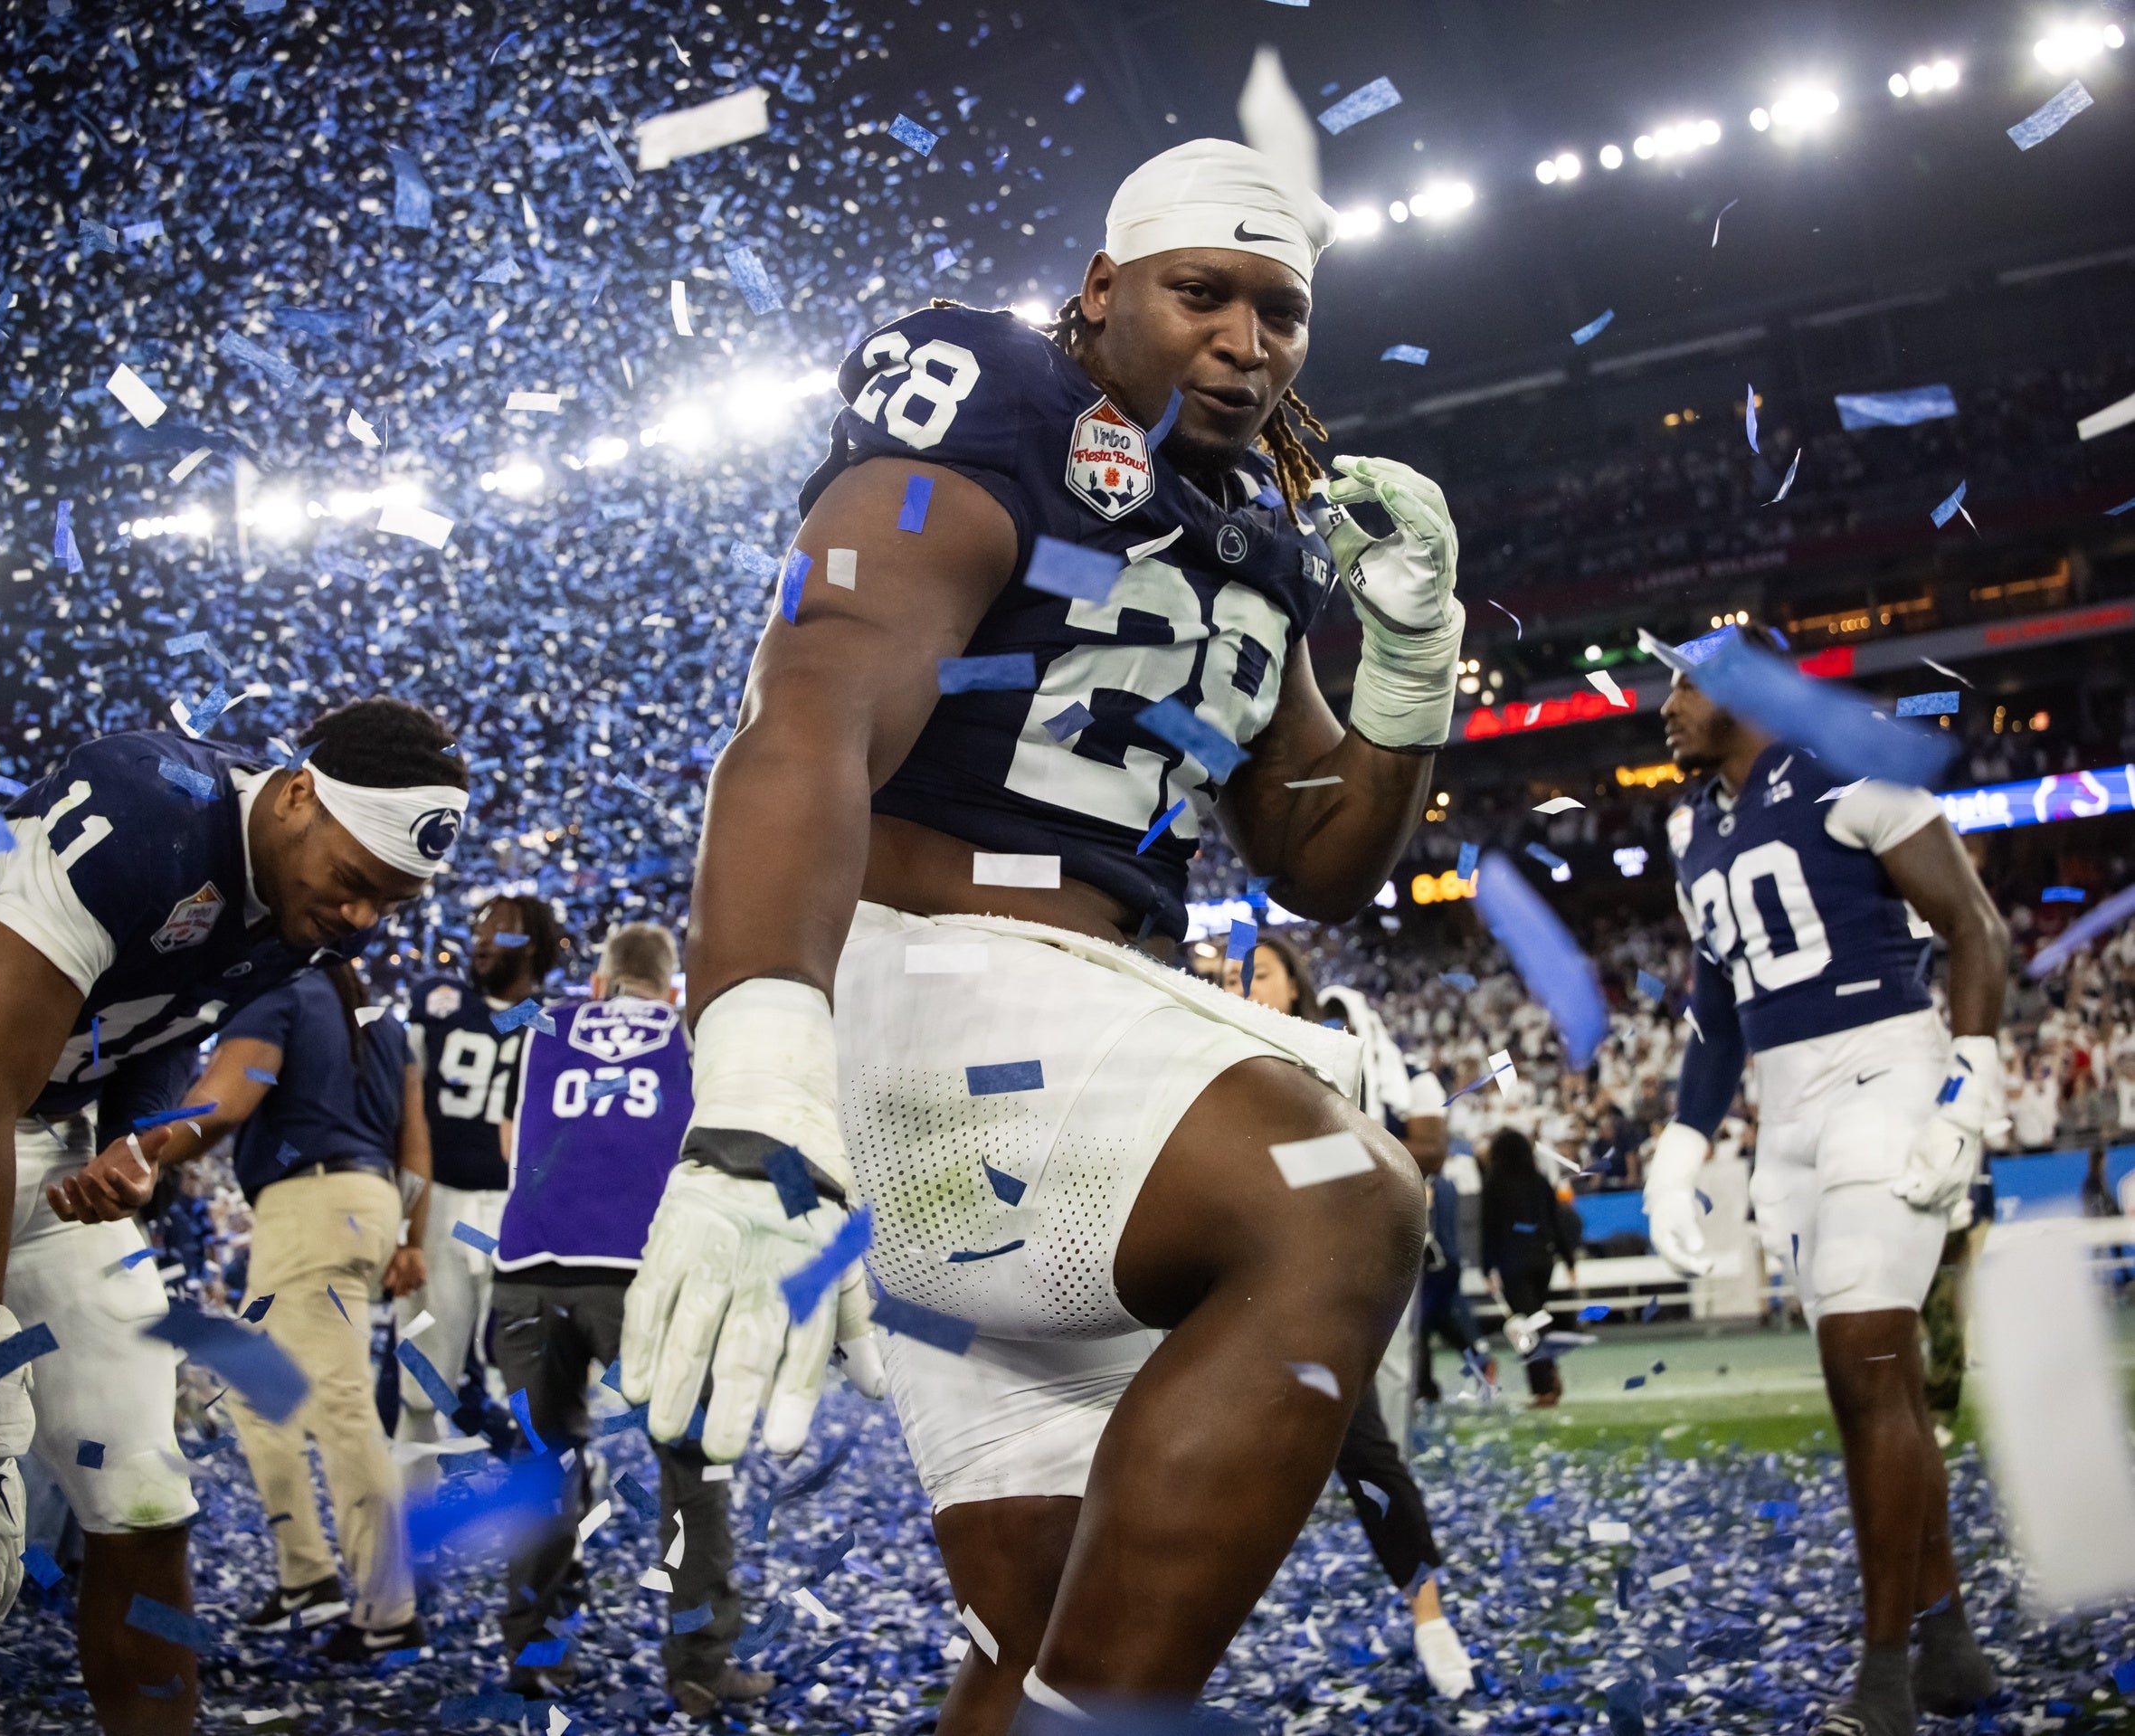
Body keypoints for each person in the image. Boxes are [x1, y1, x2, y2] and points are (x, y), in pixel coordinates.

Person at [619, 137, 1465, 1731]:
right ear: (1100, 286)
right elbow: (810, 706)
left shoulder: (1257, 520)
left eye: (1279, 311)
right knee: (1337, 1196)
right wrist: (755, 1077)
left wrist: (1412, 663)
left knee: (1037, 1627)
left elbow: (1317, 858)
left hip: (1061, 1074)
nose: (1243, 341)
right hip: (928, 997)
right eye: (1200, 292)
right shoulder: (993, 398)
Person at [0, 697, 467, 1735]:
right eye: (356, 881)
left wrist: (134, 1138)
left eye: (393, 898)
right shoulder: (145, 810)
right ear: (298, 796)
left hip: (51, 1131)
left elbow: (168, 1009)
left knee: (146, 1494)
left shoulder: (305, 899)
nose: (365, 916)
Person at [1645, 626, 2010, 1735]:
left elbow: (1974, 927)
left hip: (1886, 1074)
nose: (1664, 706)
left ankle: (1884, 1676)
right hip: (1788, 1108)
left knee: (1866, 1362)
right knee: (1872, 1385)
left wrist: (1967, 1090)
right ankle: (1949, 1646)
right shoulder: (1690, 826)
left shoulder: (1852, 770)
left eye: (1682, 683)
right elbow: (1717, 1010)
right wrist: (1682, 1140)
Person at [54, 959, 435, 1660]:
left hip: (309, 1208)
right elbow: (416, 1141)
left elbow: (222, 1103)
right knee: (260, 1400)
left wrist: (140, 1152)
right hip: (370, 1200)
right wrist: (411, 1235)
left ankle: (388, 1610)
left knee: (341, 1407)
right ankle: (308, 1576)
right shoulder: (381, 1019)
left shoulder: (280, 990)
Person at [490, 923, 783, 1716]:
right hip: (644, 1269)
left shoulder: (542, 1022)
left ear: (599, 983)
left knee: (543, 1465)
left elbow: (508, 1134)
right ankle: (699, 1664)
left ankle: (535, 1655)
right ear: (671, 986)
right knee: (691, 1465)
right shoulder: (695, 1033)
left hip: (528, 1267)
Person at [1232, 943, 1475, 1700]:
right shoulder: (1204, 1050)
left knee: (1364, 1446)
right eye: (1230, 977)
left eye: (1259, 973)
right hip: (1217, 1278)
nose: (1243, 987)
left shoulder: (1332, 1057)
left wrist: (1288, 1171)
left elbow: (1386, 1155)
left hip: (1317, 1276)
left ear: (1296, 986)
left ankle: (1430, 1617)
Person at [398, 893, 565, 1453]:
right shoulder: (440, 1002)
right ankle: (409, 1493)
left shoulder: (551, 1022)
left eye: (499, 929)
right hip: (440, 1202)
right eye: (478, 928)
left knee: (526, 1380)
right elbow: (403, 1105)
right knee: (421, 1384)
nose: (481, 939)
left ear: (532, 944)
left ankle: (541, 1488)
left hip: (518, 1213)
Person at [1477, 1130, 1570, 1407]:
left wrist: (1487, 1267)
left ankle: (1543, 1387)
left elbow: (1489, 1228)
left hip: (1513, 1262)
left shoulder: (1494, 1183)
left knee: (1525, 1326)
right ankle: (1548, 1375)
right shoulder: (1539, 1180)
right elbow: (1555, 1221)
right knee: (1536, 1319)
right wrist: (1569, 1259)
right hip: (1543, 1260)